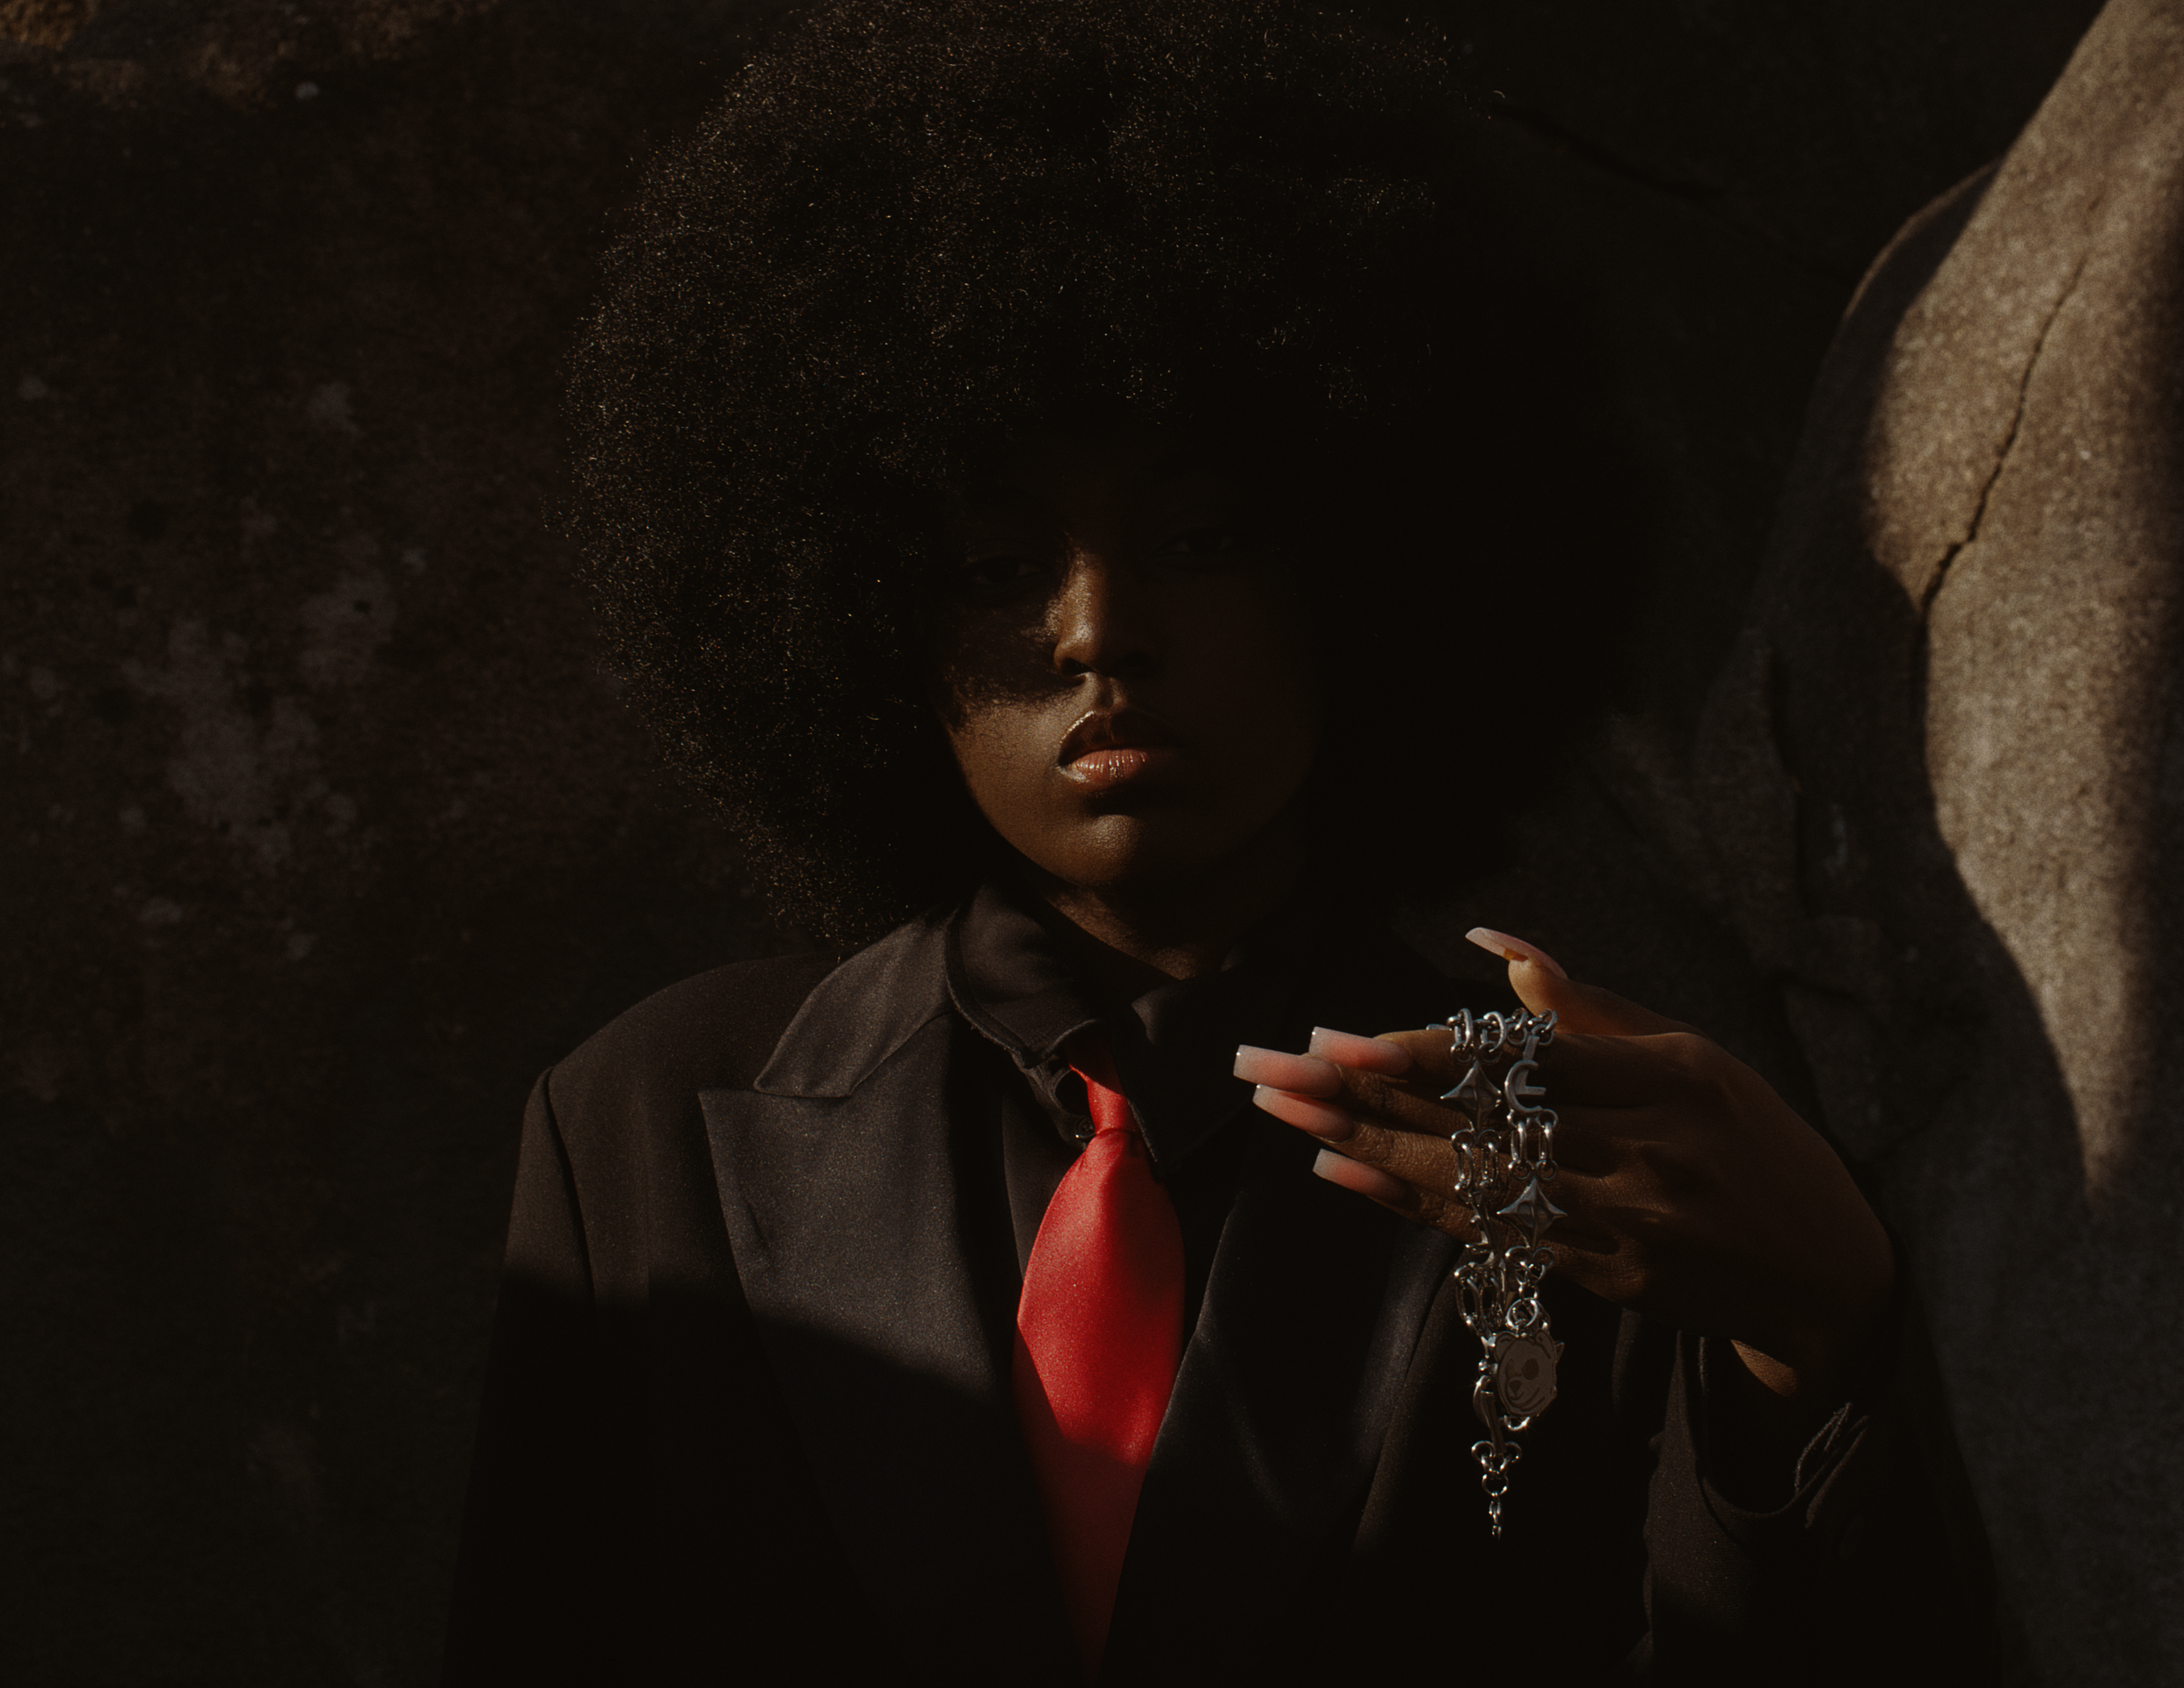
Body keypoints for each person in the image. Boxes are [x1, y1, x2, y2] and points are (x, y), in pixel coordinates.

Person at [444, 3, 1999, 1682]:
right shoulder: (641, 1127)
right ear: (851, 612)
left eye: (1201, 537)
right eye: (994, 566)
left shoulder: (1568, 1144)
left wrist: (1814, 1336)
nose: (1096, 629)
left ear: (1365, 565)